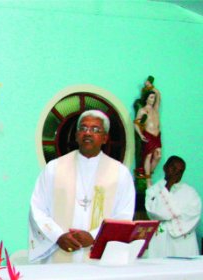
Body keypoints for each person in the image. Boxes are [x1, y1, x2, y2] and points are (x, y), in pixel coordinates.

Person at [29, 109, 135, 264]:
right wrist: (58, 236)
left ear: (105, 138)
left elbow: (123, 216)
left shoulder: (120, 173)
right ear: (76, 135)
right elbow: (37, 207)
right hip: (60, 253)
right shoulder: (54, 168)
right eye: (83, 128)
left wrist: (94, 236)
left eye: (95, 129)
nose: (88, 133)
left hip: (100, 259)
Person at [145, 155, 201, 257]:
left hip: (183, 243)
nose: (176, 173)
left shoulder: (191, 193)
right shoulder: (153, 190)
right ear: (165, 167)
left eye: (180, 171)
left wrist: (169, 218)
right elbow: (155, 213)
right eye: (173, 168)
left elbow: (193, 216)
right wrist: (168, 186)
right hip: (161, 241)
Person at [134, 86, 162, 178]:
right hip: (148, 134)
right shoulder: (142, 110)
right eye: (151, 97)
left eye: (153, 98)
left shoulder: (155, 109)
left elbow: (158, 95)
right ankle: (148, 178)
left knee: (158, 156)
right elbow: (136, 123)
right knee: (148, 156)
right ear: (146, 99)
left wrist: (151, 86)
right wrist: (141, 135)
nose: (153, 100)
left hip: (157, 135)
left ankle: (148, 174)